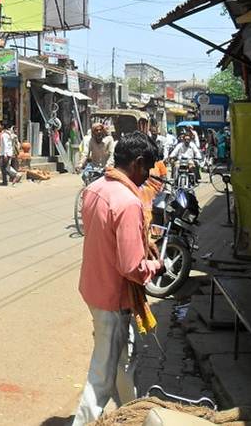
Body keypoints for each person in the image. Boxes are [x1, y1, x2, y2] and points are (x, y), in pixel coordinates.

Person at [72, 132, 164, 425]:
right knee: (101, 377)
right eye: (147, 168)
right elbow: (132, 267)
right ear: (137, 163)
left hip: (95, 288)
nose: (148, 176)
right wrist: (155, 266)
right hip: (113, 299)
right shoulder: (128, 202)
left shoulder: (96, 188)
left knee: (125, 363)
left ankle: (131, 414)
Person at [0, 121, 22, 186]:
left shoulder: (4, 135)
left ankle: (16, 175)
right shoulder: (8, 134)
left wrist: (5, 154)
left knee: (4, 168)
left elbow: (6, 145)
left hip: (4, 154)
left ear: (3, 126)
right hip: (8, 153)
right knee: (5, 167)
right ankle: (5, 181)